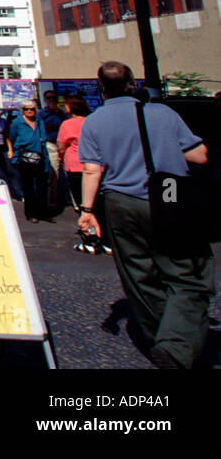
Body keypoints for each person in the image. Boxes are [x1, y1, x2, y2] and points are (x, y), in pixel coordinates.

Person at [77, 61, 213, 368]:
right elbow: (199, 155)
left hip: (120, 200)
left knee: (139, 274)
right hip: (167, 191)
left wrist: (87, 211)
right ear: (132, 83)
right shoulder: (162, 113)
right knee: (187, 269)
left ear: (101, 87)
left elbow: (91, 169)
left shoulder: (94, 121)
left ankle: (162, 339)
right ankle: (178, 342)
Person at [56, 94, 108, 254]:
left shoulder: (67, 124)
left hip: (76, 166)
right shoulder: (93, 121)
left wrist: (61, 156)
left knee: (83, 205)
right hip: (98, 166)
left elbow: (61, 145)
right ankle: (106, 240)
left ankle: (91, 240)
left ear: (70, 107)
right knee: (99, 203)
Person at [10, 100, 51, 222]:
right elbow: (12, 138)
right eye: (27, 109)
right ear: (23, 110)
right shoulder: (17, 123)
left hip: (40, 156)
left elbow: (43, 138)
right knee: (28, 187)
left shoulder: (39, 122)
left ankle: (42, 211)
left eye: (32, 109)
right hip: (25, 157)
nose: (30, 111)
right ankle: (31, 213)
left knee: (42, 185)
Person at [41, 89, 71, 207]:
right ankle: (53, 201)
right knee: (53, 174)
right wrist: (56, 125)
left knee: (69, 173)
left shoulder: (62, 113)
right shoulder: (42, 114)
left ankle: (70, 199)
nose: (51, 100)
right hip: (51, 144)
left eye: (54, 98)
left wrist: (57, 112)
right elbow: (43, 127)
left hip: (64, 144)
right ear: (45, 100)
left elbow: (68, 123)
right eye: (49, 98)